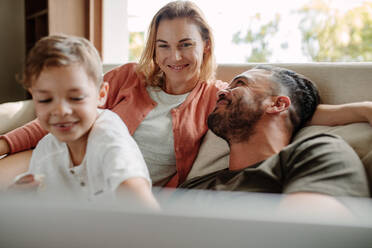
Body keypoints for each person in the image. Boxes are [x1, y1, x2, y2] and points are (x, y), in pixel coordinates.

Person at [0, 1, 372, 189]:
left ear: (205, 46)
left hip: (127, 185)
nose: (173, 57)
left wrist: (363, 109)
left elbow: (284, 111)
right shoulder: (128, 76)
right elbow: (57, 114)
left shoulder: (218, 97)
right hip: (70, 162)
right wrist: (4, 143)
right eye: (163, 45)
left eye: (184, 44)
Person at [180, 66, 370, 212]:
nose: (221, 92)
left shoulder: (316, 153)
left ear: (278, 104)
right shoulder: (193, 187)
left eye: (240, 84)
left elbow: (313, 235)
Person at [7, 34, 159, 208]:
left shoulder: (109, 138)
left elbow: (143, 206)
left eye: (76, 98)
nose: (60, 110)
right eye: (45, 100)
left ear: (101, 95)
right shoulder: (45, 150)